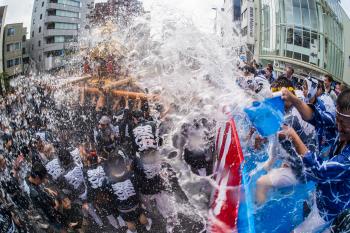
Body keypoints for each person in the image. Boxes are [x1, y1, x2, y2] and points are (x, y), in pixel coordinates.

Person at [280, 88, 350, 233]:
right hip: (321, 194)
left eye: (343, 123)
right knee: (306, 209)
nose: (338, 126)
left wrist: (293, 137)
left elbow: (320, 170)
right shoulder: (340, 126)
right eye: (337, 120)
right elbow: (315, 117)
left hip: (331, 212)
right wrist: (293, 99)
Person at [255, 78, 317, 204]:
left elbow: (288, 146)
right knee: (272, 171)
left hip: (306, 171)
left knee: (261, 182)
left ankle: (258, 214)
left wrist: (285, 164)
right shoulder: (297, 108)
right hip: (310, 162)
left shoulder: (290, 119)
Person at [106, 156, 152, 233]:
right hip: (135, 204)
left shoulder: (108, 182)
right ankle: (147, 225)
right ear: (123, 164)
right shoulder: (132, 175)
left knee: (129, 222)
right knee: (141, 215)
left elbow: (111, 198)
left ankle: (133, 231)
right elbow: (141, 186)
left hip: (123, 209)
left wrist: (115, 211)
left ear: (111, 168)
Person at [23, 162, 64, 231]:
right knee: (60, 228)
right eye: (43, 179)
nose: (44, 180)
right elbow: (52, 210)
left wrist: (46, 189)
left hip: (40, 207)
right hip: (48, 215)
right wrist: (56, 202)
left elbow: (35, 186)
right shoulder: (36, 194)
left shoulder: (27, 178)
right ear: (37, 177)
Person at [301, 76, 337, 152]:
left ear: (312, 89)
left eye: (305, 88)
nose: (303, 90)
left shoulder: (320, 106)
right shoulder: (302, 101)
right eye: (303, 88)